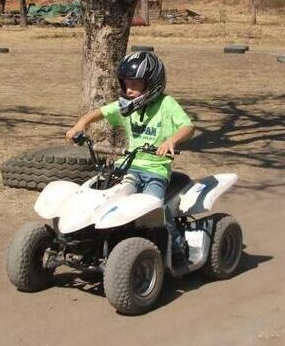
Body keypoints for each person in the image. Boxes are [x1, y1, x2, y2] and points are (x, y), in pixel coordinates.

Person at [66, 51, 195, 261]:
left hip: (155, 171)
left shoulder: (166, 104)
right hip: (128, 167)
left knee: (153, 207)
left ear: (152, 84)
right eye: (126, 83)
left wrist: (171, 140)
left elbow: (188, 127)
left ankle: (177, 244)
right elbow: (101, 112)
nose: (129, 89)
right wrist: (81, 124)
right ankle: (95, 237)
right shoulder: (127, 107)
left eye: (135, 84)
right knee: (103, 197)